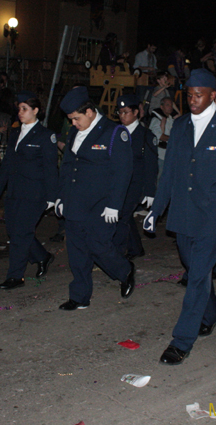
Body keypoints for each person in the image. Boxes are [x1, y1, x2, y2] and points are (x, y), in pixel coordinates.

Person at [143, 69, 216, 365]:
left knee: (197, 277)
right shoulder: (180, 125)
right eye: (188, 95)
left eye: (198, 94)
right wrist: (156, 209)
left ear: (213, 95)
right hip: (184, 213)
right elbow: (171, 174)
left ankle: (181, 340)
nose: (192, 100)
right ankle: (212, 313)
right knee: (193, 266)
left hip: (213, 216)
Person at [55, 86, 136, 310]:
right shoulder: (74, 133)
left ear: (90, 112)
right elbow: (68, 166)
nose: (73, 123)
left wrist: (114, 205)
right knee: (77, 250)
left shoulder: (113, 132)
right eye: (71, 119)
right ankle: (80, 296)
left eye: (76, 118)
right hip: (75, 202)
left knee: (98, 246)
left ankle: (125, 270)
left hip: (101, 205)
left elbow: (123, 171)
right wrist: (61, 197)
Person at [0, 92, 59, 290]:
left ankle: (15, 276)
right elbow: (8, 163)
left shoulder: (46, 136)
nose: (20, 113)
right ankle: (42, 256)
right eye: (19, 109)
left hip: (35, 192)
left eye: (24, 109)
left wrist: (52, 196)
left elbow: (50, 168)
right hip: (14, 190)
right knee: (14, 231)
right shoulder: (15, 133)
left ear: (35, 111)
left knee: (21, 234)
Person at [114, 94, 158, 260]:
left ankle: (117, 254)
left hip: (135, 185)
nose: (122, 116)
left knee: (121, 217)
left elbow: (151, 165)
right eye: (120, 112)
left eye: (126, 112)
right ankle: (135, 248)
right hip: (120, 184)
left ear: (135, 113)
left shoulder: (146, 136)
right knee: (124, 216)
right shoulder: (116, 133)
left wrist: (150, 191)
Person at [149, 97, 176, 178]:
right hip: (159, 155)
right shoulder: (156, 120)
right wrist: (174, 139)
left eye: (171, 105)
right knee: (158, 178)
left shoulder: (171, 120)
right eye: (167, 105)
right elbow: (159, 136)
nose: (170, 107)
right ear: (161, 107)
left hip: (169, 155)